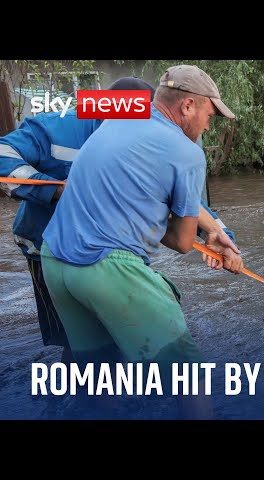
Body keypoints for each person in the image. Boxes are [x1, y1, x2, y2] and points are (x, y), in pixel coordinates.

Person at [40, 65, 243, 420]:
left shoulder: (117, 116)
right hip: (106, 267)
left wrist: (212, 229)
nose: (210, 125)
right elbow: (181, 242)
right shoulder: (189, 153)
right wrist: (201, 235)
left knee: (101, 378)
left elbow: (134, 183)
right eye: (210, 115)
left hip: (54, 261)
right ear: (188, 107)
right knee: (190, 377)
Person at [0, 76, 158, 364]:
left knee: (118, 335)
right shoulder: (56, 126)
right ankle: (79, 398)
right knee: (74, 340)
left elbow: (176, 192)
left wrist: (216, 231)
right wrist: (55, 189)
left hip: (112, 251)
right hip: (46, 248)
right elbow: (2, 154)